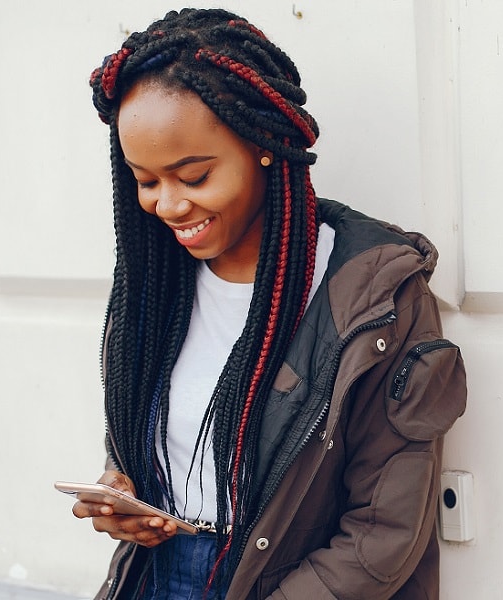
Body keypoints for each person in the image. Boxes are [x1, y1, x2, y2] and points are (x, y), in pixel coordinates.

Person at [71, 8, 467, 600]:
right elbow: (155, 442)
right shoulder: (154, 288)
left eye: (195, 175)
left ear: (261, 146)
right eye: (146, 181)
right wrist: (129, 495)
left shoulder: (375, 298)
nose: (170, 206)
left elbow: (382, 535)